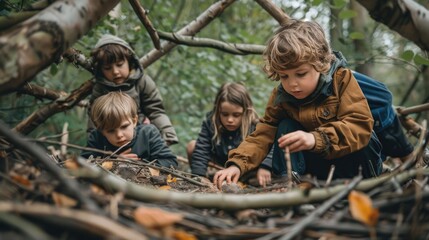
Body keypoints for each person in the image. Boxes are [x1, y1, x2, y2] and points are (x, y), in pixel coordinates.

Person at [213, 19, 384, 188]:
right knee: (285, 126)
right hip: (316, 171)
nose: (292, 84)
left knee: (366, 137)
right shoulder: (281, 95)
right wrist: (237, 164)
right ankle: (288, 185)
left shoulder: (342, 80)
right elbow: (263, 134)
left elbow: (359, 124)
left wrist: (315, 138)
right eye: (284, 76)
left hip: (357, 167)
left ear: (320, 64)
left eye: (301, 74)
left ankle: (366, 185)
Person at [88, 34, 178, 145]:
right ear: (101, 70)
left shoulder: (142, 82)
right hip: (112, 139)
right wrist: (93, 141)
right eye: (108, 68)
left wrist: (167, 133)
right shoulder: (100, 88)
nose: (115, 71)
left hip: (141, 132)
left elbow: (155, 110)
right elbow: (94, 118)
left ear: (129, 62)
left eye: (120, 64)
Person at [186, 82, 273, 187]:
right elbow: (202, 149)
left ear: (246, 111)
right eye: (225, 114)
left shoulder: (255, 126)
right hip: (219, 166)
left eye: (236, 115)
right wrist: (199, 175)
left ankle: (246, 183)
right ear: (218, 111)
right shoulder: (211, 123)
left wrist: (266, 167)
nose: (230, 120)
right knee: (192, 145)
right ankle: (211, 179)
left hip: (246, 170)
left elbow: (267, 148)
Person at [81, 92, 178, 169]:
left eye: (124, 127)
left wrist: (141, 166)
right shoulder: (96, 137)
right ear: (101, 130)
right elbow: (83, 164)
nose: (119, 135)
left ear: (134, 120)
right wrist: (113, 163)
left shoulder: (148, 133)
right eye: (111, 131)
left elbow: (171, 162)